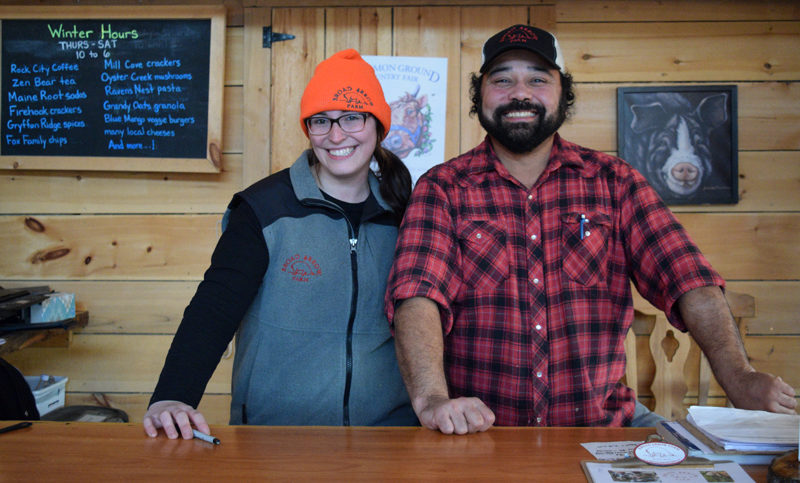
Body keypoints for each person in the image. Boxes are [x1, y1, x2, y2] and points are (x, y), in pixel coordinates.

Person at [385, 25, 797, 434]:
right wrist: (433, 400)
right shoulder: (442, 187)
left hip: (606, 429)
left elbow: (689, 280)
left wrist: (739, 378)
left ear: (564, 93)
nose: (520, 93)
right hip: (479, 433)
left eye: (538, 79)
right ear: (480, 96)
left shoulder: (615, 182)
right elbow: (417, 296)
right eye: (502, 79)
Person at [144, 49, 417, 440]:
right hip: (275, 437)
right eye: (321, 121)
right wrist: (172, 396)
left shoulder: (404, 211)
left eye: (351, 118)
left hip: (388, 438)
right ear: (308, 129)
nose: (336, 135)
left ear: (378, 126)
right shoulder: (263, 208)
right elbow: (214, 307)